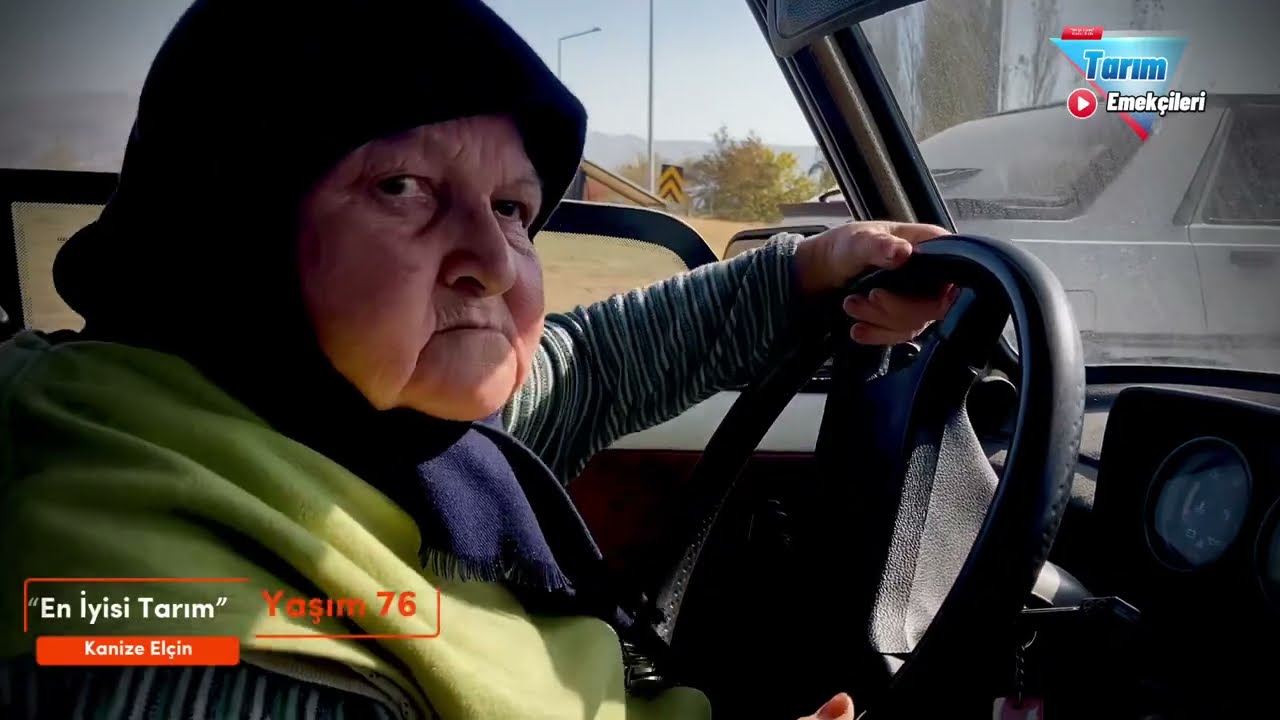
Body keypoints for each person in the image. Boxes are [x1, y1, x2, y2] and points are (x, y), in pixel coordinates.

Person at [0, 0, 953, 718]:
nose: (497, 263)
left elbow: (591, 367)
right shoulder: (168, 635)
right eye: (403, 187)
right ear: (230, 227)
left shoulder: (334, 415)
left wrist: (811, 273)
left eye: (512, 208)